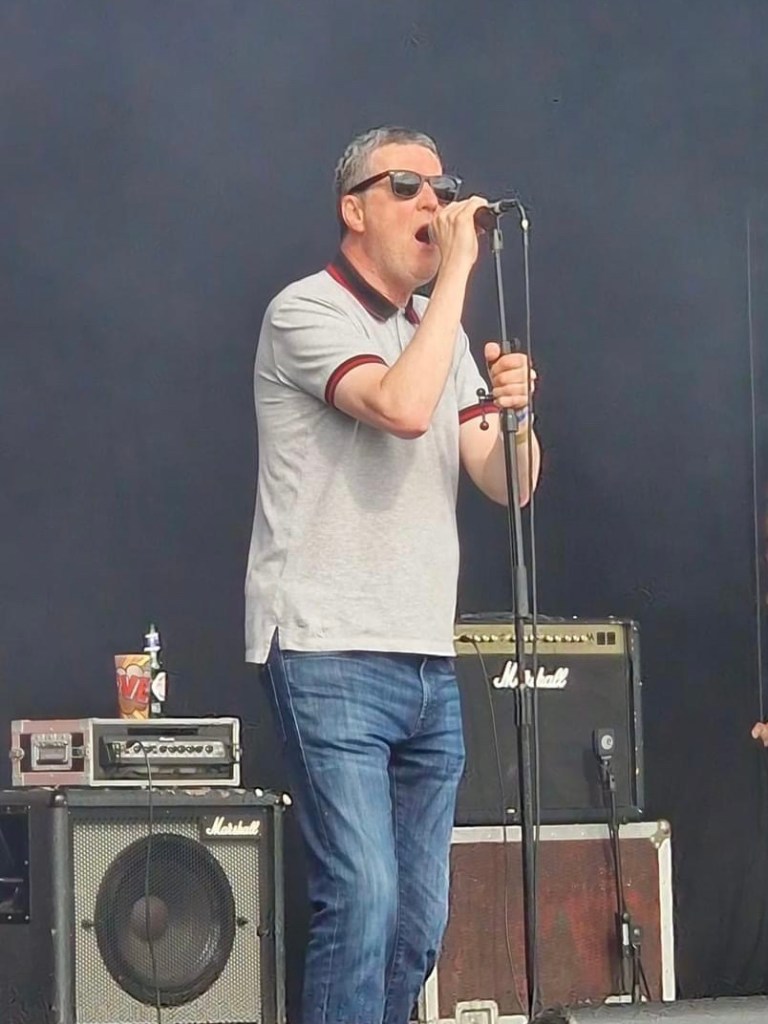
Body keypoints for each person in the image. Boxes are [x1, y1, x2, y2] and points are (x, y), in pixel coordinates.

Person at [245, 125, 541, 1024]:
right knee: (363, 898)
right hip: (326, 648)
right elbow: (401, 408)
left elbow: (510, 484)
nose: (434, 205)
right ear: (353, 208)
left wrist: (516, 415)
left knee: (418, 922)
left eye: (441, 188)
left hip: (424, 658)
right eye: (407, 186)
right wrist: (457, 276)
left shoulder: (439, 334)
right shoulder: (306, 311)